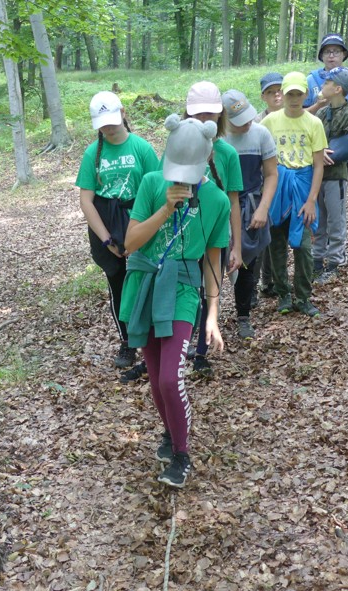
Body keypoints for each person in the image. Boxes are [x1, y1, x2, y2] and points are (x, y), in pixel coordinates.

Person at [119, 115, 231, 488]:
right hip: (145, 286)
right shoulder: (153, 183)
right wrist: (166, 208)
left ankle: (182, 455)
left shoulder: (216, 200)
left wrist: (213, 315)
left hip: (183, 289)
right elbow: (130, 243)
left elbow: (213, 260)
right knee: (154, 377)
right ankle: (169, 432)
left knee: (171, 377)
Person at [75, 91, 159, 372]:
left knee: (146, 281)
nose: (108, 127)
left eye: (112, 119)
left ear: (123, 113)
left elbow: (156, 191)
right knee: (119, 285)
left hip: (138, 220)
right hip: (106, 226)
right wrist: (107, 239)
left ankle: (153, 339)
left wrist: (144, 232)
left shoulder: (142, 148)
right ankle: (128, 342)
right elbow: (86, 200)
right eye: (102, 123)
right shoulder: (91, 153)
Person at [180, 82, 244, 374]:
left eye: (210, 114)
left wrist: (237, 247)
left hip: (215, 236)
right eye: (198, 115)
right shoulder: (178, 147)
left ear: (220, 116)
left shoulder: (227, 153)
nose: (205, 120)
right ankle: (180, 348)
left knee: (210, 290)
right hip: (183, 235)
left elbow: (233, 201)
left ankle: (202, 352)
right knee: (185, 291)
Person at [261, 72, 327, 317]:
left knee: (304, 246)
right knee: (276, 242)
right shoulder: (269, 122)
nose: (294, 98)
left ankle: (303, 296)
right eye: (290, 93)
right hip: (277, 186)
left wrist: (311, 200)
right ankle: (283, 294)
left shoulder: (313, 123)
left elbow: (318, 164)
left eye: (299, 93)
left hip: (302, 185)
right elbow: (262, 159)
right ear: (284, 94)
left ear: (306, 94)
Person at [222, 89, 278, 339]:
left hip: (251, 204)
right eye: (238, 120)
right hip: (221, 206)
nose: (246, 124)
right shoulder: (217, 140)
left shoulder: (261, 134)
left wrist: (263, 208)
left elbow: (271, 174)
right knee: (214, 262)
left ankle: (243, 315)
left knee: (247, 263)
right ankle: (205, 319)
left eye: (247, 117)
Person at [312, 67, 348, 282]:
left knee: (336, 219)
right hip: (317, 175)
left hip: (336, 176)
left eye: (326, 83)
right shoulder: (322, 113)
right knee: (318, 219)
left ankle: (334, 263)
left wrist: (328, 152)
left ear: (337, 88)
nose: (322, 87)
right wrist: (318, 153)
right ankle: (316, 260)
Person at [303, 33, 348, 176]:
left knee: (336, 191)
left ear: (343, 54)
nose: (331, 55)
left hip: (342, 152)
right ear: (321, 55)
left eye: (336, 51)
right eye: (327, 51)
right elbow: (301, 116)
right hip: (312, 151)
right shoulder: (311, 80)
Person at [254, 72, 284, 299]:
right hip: (262, 184)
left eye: (279, 90)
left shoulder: (295, 117)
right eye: (271, 92)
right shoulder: (255, 122)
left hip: (289, 183)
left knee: (281, 233)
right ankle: (263, 282)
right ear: (263, 96)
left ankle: (277, 279)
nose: (277, 95)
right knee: (262, 234)